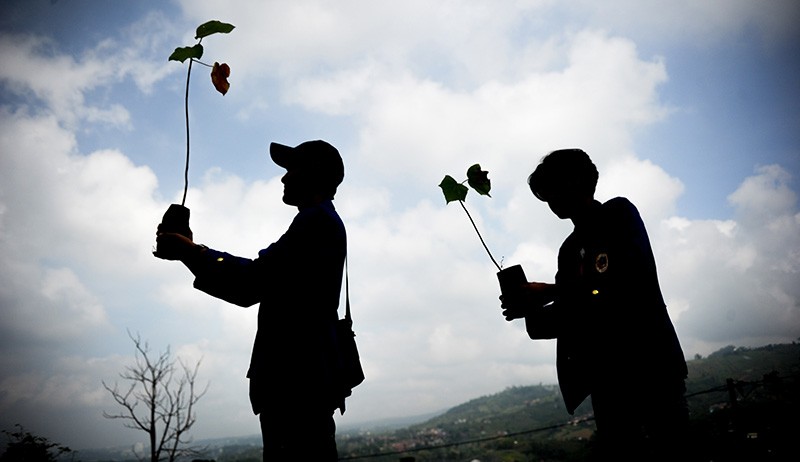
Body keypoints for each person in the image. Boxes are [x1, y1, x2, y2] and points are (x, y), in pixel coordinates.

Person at [155, 140, 347, 461]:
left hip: (296, 389)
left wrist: (189, 251)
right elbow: (257, 283)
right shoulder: (321, 222)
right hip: (304, 386)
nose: (283, 179)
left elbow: (252, 283)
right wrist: (190, 252)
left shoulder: (316, 222)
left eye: (291, 169)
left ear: (312, 173)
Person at [501, 149, 689, 461]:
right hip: (608, 387)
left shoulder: (618, 215)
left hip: (652, 371)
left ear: (578, 181)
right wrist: (528, 307)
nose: (550, 201)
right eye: (546, 195)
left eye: (553, 189)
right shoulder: (569, 249)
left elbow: (619, 286)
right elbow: (564, 317)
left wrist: (547, 291)